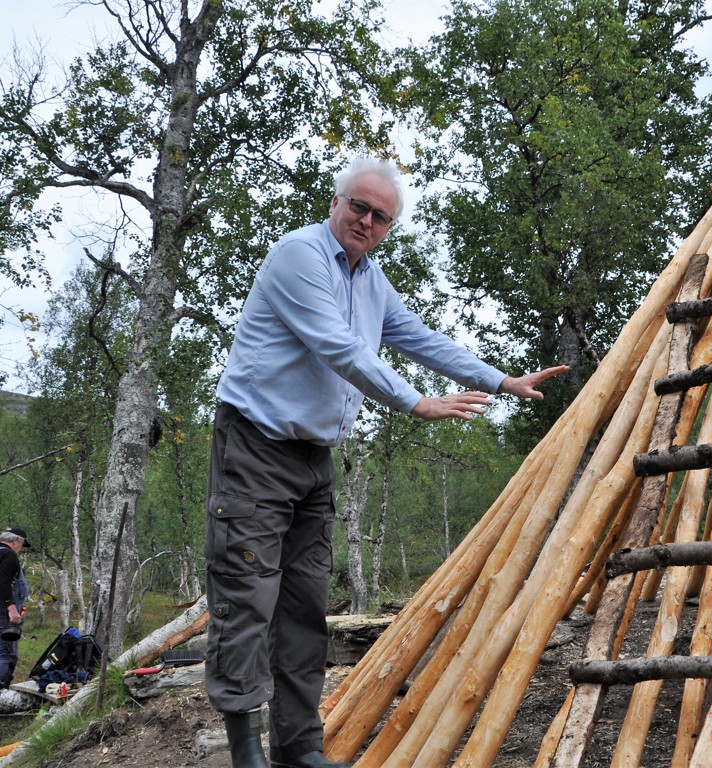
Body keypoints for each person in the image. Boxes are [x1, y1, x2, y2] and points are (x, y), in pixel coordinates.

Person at [206, 157, 569, 768]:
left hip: (314, 458)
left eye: (380, 217)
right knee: (246, 600)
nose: (367, 221)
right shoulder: (299, 257)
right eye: (359, 207)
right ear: (335, 202)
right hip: (255, 449)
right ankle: (246, 753)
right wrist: (415, 402)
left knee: (303, 608)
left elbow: (418, 336)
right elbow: (337, 346)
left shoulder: (369, 279)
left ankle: (298, 750)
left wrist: (501, 380)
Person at [0, 526, 31, 688]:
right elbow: (3, 582)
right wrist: (11, 608)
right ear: (15, 541)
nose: (20, 550)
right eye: (22, 545)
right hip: (4, 615)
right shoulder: (9, 554)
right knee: (7, 654)